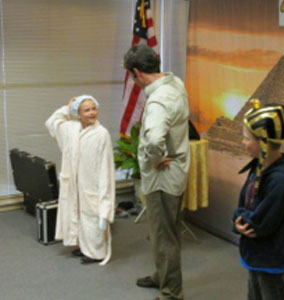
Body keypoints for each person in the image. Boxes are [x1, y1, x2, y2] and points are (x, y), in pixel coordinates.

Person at [123, 44, 190, 300]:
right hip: (175, 172)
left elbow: (153, 141)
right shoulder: (174, 83)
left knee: (165, 236)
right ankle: (163, 275)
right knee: (165, 232)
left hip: (163, 178)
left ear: (137, 72)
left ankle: (171, 292)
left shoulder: (159, 99)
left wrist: (156, 158)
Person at [232, 99, 284, 300]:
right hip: (259, 256)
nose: (243, 143)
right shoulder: (258, 166)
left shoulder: (280, 182)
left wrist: (241, 219)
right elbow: (243, 202)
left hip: (272, 260)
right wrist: (240, 218)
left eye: (247, 138)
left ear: (263, 142)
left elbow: (258, 224)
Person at [45, 95, 115, 265]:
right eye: (87, 110)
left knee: (92, 216)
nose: (92, 113)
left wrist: (106, 200)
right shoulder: (72, 129)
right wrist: (66, 108)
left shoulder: (101, 134)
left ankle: (96, 253)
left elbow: (106, 167)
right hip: (74, 183)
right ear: (78, 114)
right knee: (76, 214)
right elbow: (51, 122)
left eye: (94, 109)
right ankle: (85, 247)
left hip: (93, 183)